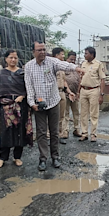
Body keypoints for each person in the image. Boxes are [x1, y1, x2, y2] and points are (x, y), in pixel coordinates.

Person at [24, 41, 84, 171]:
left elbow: (63, 64)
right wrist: (31, 103)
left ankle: (55, 157)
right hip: (39, 105)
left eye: (44, 49)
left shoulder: (51, 62)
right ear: (33, 51)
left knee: (54, 131)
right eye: (39, 50)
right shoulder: (29, 66)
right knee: (41, 133)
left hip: (53, 101)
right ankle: (43, 159)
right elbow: (29, 86)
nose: (42, 52)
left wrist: (76, 68)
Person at [0, 49, 33, 169]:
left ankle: (17, 157)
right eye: (10, 57)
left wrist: (22, 96)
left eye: (15, 58)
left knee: (19, 131)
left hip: (20, 106)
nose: (13, 60)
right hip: (6, 107)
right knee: (5, 131)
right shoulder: (2, 74)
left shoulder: (22, 73)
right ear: (6, 59)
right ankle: (3, 157)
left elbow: (28, 88)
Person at [78, 46, 106, 142]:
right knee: (83, 113)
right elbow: (80, 78)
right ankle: (84, 133)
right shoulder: (83, 64)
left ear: (92, 54)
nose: (84, 55)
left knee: (94, 113)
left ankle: (93, 134)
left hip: (94, 90)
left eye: (86, 53)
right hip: (83, 90)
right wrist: (78, 91)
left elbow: (102, 80)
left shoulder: (98, 64)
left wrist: (101, 94)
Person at [52, 47, 75, 145]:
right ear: (56, 55)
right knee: (53, 116)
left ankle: (59, 135)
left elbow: (64, 81)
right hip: (53, 93)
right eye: (62, 54)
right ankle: (50, 136)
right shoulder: (51, 66)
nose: (63, 56)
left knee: (61, 116)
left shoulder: (61, 68)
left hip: (62, 92)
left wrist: (69, 92)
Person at [63, 51, 82, 138]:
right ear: (67, 59)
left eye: (74, 59)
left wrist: (78, 92)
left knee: (76, 112)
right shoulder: (63, 68)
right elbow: (63, 81)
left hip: (75, 94)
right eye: (71, 59)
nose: (73, 61)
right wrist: (68, 91)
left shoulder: (76, 69)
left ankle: (76, 129)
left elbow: (79, 81)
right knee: (65, 113)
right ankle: (65, 131)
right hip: (65, 94)